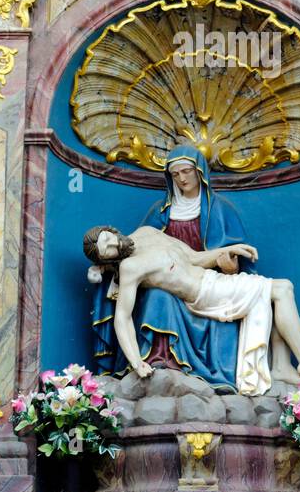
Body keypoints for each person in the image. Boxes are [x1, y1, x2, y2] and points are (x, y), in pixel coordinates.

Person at [84, 223, 300, 396]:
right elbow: (122, 318)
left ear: (110, 229)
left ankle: (281, 366)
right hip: (205, 296)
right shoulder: (130, 267)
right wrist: (137, 363)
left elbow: (193, 257)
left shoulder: (148, 233)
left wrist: (227, 251)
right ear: (107, 260)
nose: (113, 243)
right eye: (108, 249)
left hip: (212, 281)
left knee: (275, 293)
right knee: (282, 289)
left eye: (108, 237)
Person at [90, 145, 248, 388]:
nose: (182, 179)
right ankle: (156, 360)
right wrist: (102, 268)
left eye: (186, 172)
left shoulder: (219, 210)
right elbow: (127, 253)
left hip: (204, 281)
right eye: (175, 175)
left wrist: (228, 264)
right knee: (157, 297)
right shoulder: (158, 215)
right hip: (165, 286)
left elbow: (204, 256)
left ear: (200, 172)